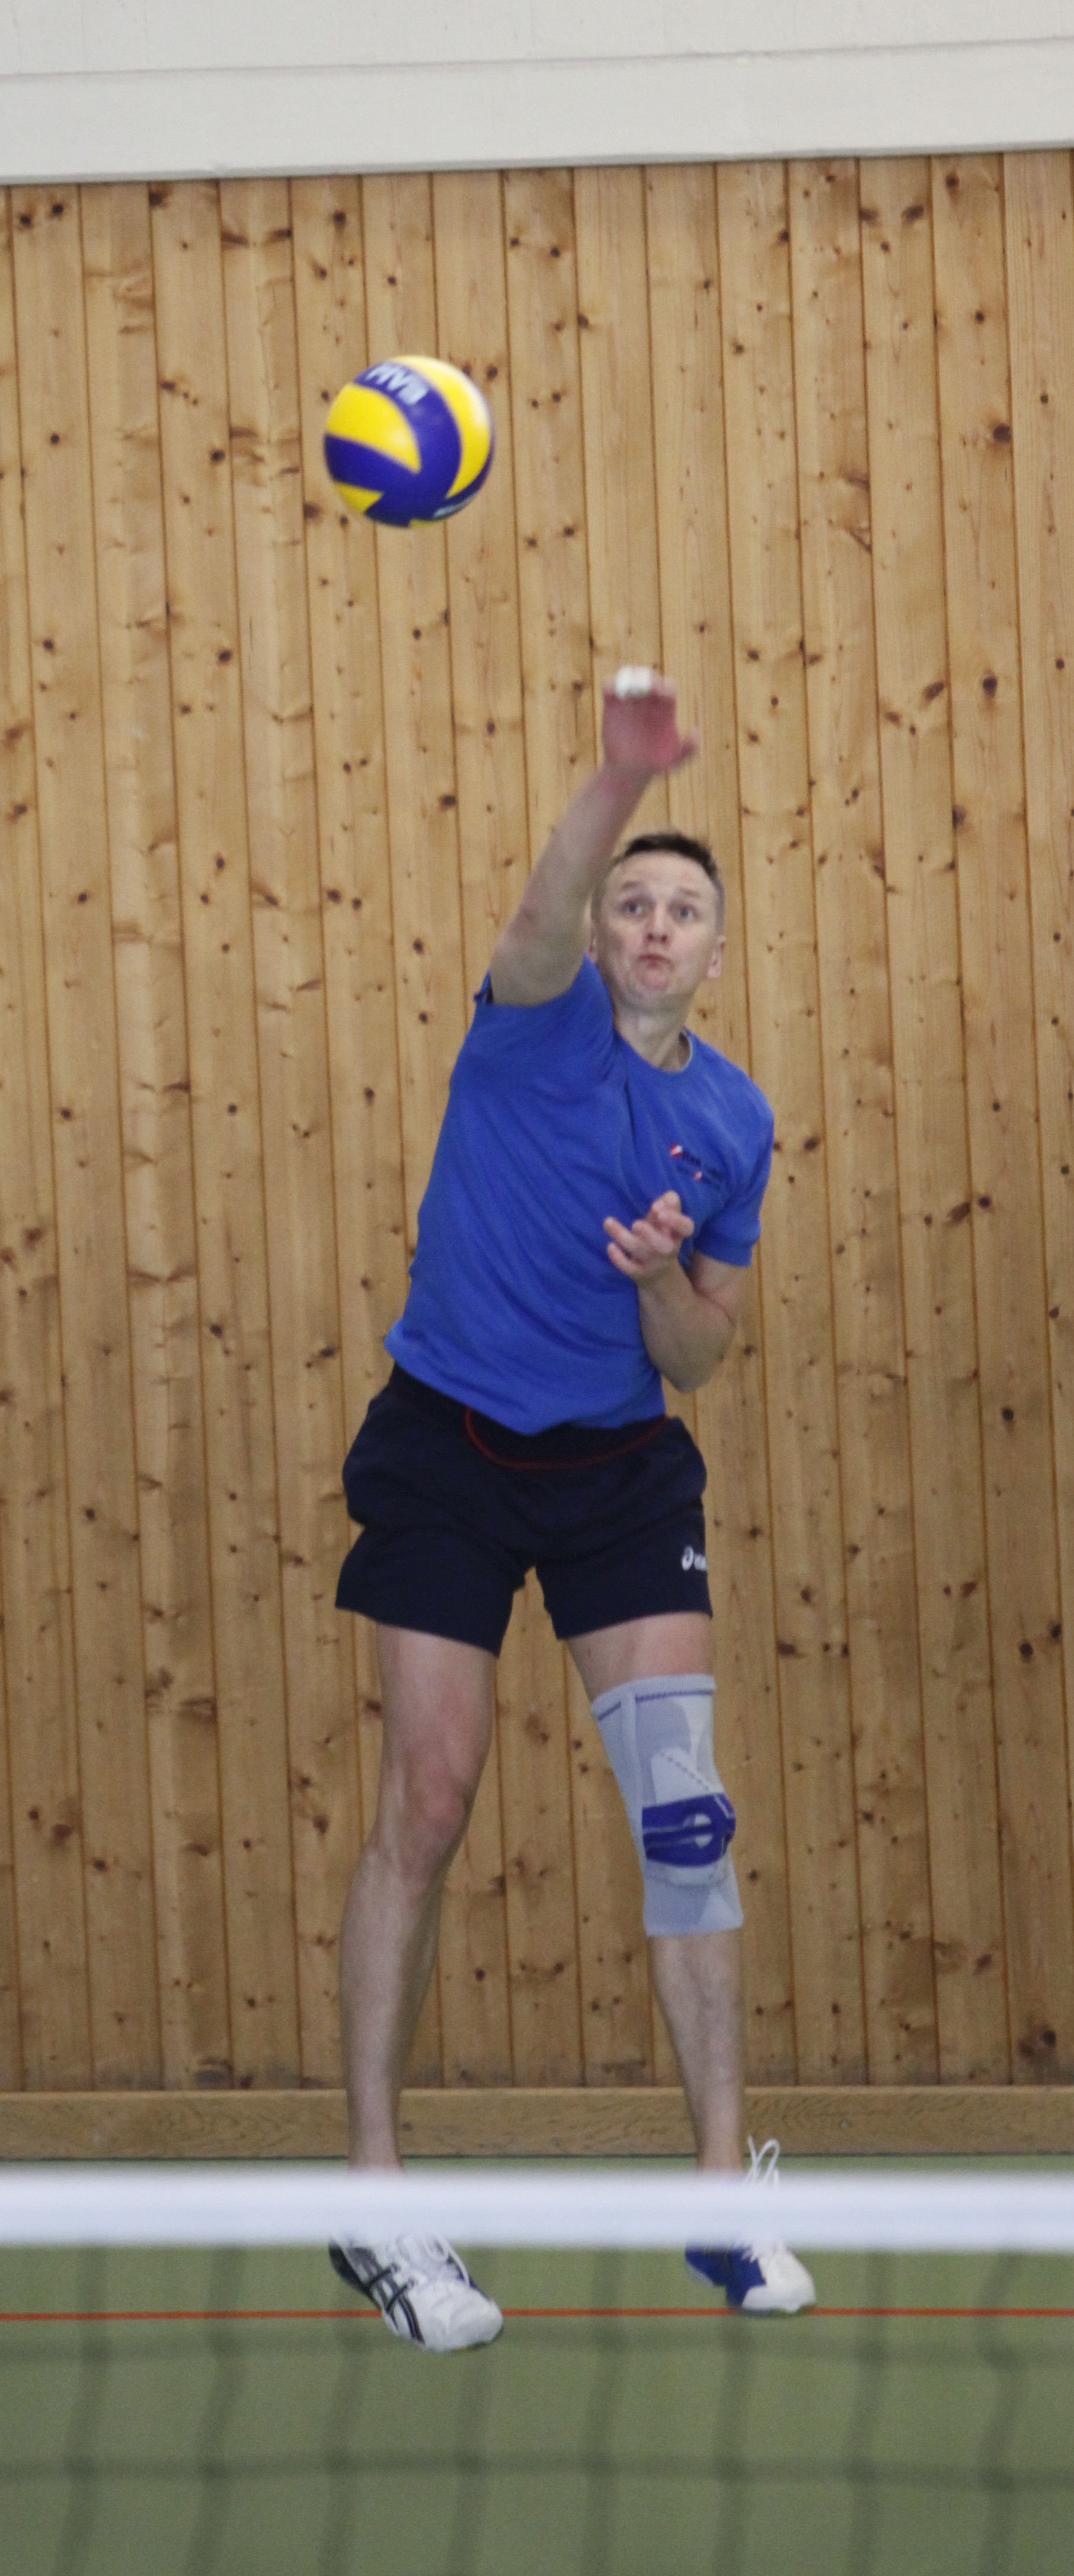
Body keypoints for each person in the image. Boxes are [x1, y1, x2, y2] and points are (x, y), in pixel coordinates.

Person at [329, 669, 815, 2350]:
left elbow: (701, 1354)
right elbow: (540, 905)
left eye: (683, 910)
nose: (653, 925)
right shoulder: (531, 1016)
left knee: (687, 1818)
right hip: (448, 1446)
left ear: (716, 950)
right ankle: (376, 2194)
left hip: (615, 1470)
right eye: (633, 905)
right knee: (429, 1795)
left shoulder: (731, 1119)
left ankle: (718, 2190)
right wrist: (619, 782)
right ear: (602, 936)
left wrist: (664, 1273)